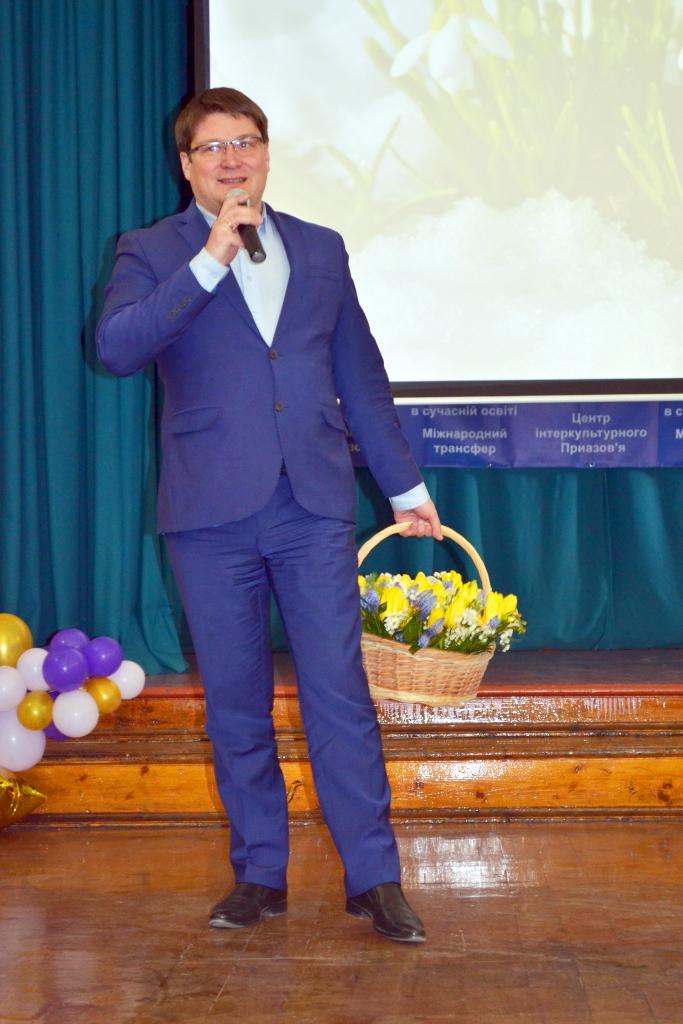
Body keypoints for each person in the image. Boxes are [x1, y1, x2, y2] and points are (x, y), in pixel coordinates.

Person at [96, 88, 442, 944]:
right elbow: (117, 347)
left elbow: (359, 374)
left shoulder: (320, 248)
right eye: (213, 147)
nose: (232, 159)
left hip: (311, 504)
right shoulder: (151, 249)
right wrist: (209, 259)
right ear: (186, 164)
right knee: (236, 702)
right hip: (209, 509)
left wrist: (403, 486)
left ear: (265, 153)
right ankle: (259, 873)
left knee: (339, 694)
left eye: (245, 142)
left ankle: (374, 879)